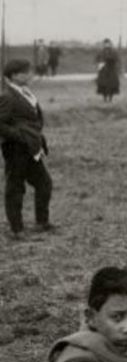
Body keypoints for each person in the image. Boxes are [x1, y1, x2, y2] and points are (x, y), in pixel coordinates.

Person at [0, 59, 54, 240]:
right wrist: (19, 136)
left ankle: (42, 222)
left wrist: (35, 137)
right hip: (16, 149)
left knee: (44, 183)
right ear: (13, 75)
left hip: (31, 148)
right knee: (15, 188)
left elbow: (33, 119)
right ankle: (17, 229)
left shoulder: (26, 93)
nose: (29, 75)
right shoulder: (7, 96)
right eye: (25, 72)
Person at [96, 38, 120, 102]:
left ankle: (110, 98)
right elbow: (97, 59)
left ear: (110, 44)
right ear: (103, 44)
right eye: (105, 44)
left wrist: (113, 63)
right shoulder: (101, 52)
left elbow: (117, 59)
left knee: (112, 85)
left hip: (111, 71)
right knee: (103, 85)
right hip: (103, 71)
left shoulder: (114, 52)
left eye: (108, 43)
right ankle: (105, 98)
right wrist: (100, 64)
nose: (107, 45)